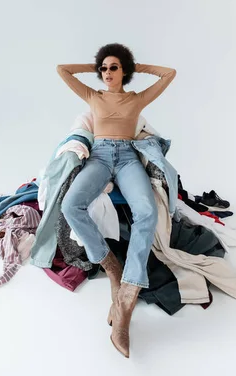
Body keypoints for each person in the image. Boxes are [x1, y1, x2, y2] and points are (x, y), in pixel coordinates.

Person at [56, 43, 176, 358]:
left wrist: (135, 64)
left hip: (126, 158)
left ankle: (128, 293)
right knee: (71, 205)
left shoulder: (137, 99)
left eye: (114, 67)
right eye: (104, 68)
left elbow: (169, 74)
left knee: (146, 211)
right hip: (99, 156)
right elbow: (62, 71)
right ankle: (111, 265)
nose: (108, 73)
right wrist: (94, 64)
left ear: (124, 71)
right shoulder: (93, 96)